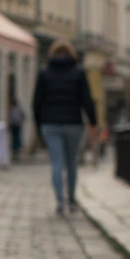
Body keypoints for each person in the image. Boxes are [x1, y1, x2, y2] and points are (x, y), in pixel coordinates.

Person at [32, 40, 96, 216]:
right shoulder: (78, 72)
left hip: (50, 123)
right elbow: (87, 100)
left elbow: (36, 102)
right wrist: (93, 122)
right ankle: (72, 199)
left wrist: (39, 125)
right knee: (72, 163)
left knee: (57, 163)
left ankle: (60, 200)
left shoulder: (44, 73)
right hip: (73, 124)